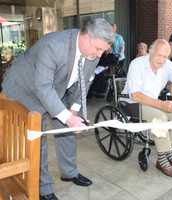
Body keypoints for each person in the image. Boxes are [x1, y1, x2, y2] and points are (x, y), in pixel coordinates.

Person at [2, 18, 114, 200]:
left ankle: (69, 172)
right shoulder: (54, 46)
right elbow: (43, 88)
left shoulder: (93, 53)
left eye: (103, 50)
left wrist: (74, 111)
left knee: (66, 129)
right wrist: (68, 117)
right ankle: (43, 188)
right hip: (25, 88)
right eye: (98, 49)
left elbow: (84, 83)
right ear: (85, 37)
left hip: (55, 86)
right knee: (38, 136)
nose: (100, 54)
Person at [122, 39, 172, 177]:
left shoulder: (166, 65)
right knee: (160, 117)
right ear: (150, 51)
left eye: (165, 56)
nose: (161, 60)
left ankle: (168, 153)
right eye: (159, 55)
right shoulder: (137, 64)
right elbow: (136, 95)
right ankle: (163, 160)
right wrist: (162, 105)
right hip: (132, 103)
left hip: (152, 102)